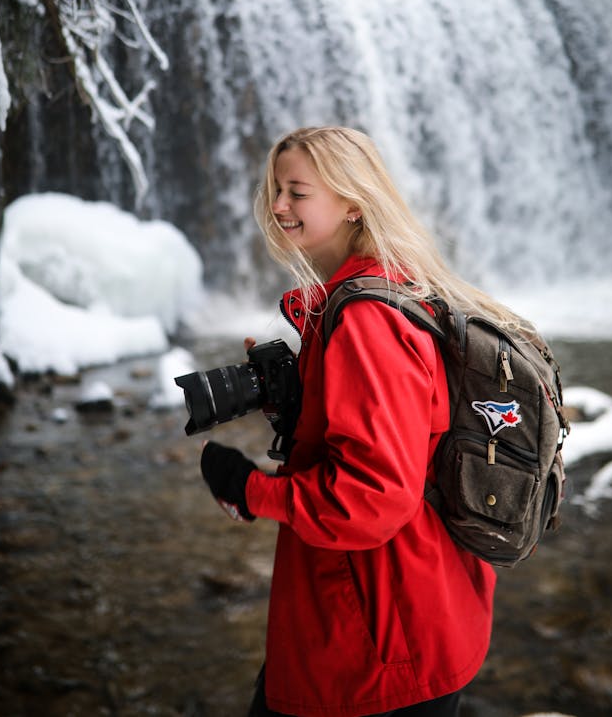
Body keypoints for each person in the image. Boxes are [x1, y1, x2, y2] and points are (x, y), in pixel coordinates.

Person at [199, 125, 522, 717]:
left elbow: (372, 497)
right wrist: (300, 404)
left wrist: (252, 491)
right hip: (401, 608)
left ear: (352, 203)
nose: (277, 205)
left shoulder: (368, 319)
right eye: (275, 188)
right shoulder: (393, 286)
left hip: (377, 638)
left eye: (297, 191)